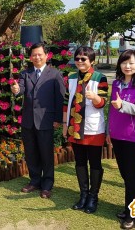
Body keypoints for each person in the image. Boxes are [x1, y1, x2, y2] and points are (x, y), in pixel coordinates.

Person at [11, 43, 65, 199]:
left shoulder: (55, 74)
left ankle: (47, 184)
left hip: (46, 120)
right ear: (30, 57)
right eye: (34, 54)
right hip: (28, 120)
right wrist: (16, 90)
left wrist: (57, 119)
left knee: (46, 154)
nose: (37, 57)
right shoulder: (25, 74)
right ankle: (34, 180)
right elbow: (20, 89)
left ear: (46, 55)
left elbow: (59, 98)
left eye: (40, 54)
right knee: (31, 153)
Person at [107, 49, 135, 229]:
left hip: (133, 137)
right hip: (117, 135)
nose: (128, 66)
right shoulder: (116, 84)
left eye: (131, 63)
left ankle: (131, 213)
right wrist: (108, 131)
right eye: (124, 62)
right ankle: (132, 208)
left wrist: (121, 105)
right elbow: (110, 109)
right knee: (125, 174)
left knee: (132, 176)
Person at [63, 46, 108, 214]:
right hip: (74, 127)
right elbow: (66, 102)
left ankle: (93, 197)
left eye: (84, 59)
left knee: (95, 163)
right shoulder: (71, 77)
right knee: (80, 162)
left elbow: (103, 103)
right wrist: (64, 125)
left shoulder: (99, 78)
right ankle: (83, 195)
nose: (80, 61)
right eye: (78, 58)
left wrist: (95, 98)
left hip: (93, 128)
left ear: (92, 61)